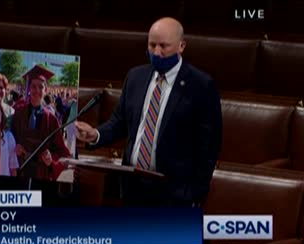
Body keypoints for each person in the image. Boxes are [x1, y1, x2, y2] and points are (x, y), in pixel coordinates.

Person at [75, 17, 222, 207]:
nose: (157, 53)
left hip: (174, 195)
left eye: (164, 46)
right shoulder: (136, 76)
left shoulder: (201, 85)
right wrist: (95, 134)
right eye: (152, 45)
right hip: (133, 189)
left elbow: (208, 147)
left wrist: (195, 195)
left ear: (181, 46)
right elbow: (120, 122)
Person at [11, 65, 71, 181]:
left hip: (41, 172)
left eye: (41, 87)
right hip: (21, 169)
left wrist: (51, 159)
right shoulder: (18, 115)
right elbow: (10, 140)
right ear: (29, 89)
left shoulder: (52, 120)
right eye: (33, 86)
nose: (37, 90)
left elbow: (62, 152)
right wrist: (15, 147)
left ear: (46, 90)